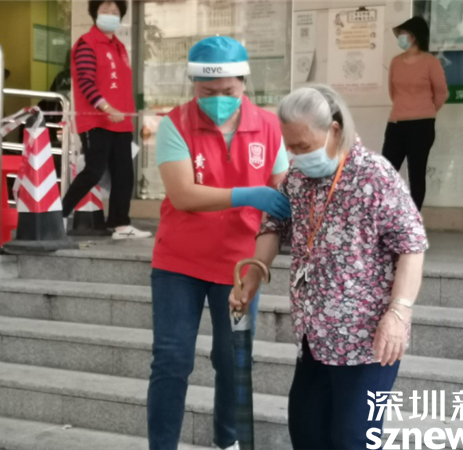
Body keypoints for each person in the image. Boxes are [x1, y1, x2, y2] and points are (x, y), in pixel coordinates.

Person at [231, 85, 428, 450]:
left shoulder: (374, 176)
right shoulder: (297, 177)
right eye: (290, 146)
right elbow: (274, 225)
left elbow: (412, 246)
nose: (295, 154)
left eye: (303, 145)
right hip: (315, 335)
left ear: (334, 130)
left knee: (352, 439)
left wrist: (399, 313)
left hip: (366, 340)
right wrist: (254, 274)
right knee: (306, 432)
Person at [148, 36, 290, 450]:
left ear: (243, 82)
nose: (218, 100)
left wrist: (262, 259)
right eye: (207, 92)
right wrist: (246, 194)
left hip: (240, 266)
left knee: (233, 361)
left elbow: (282, 194)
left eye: (228, 91)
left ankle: (227, 441)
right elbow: (182, 194)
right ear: (193, 84)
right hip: (179, 263)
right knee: (172, 359)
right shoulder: (175, 124)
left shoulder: (269, 127)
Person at [61, 1, 151, 239]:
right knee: (93, 171)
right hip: (96, 122)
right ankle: (58, 216)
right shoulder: (87, 44)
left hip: (121, 123)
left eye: (115, 12)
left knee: (124, 174)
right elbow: (85, 82)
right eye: (105, 11)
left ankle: (121, 225)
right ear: (94, 14)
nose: (110, 16)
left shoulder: (120, 47)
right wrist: (107, 108)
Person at [382, 16, 448, 210]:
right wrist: (406, 108)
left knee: (416, 174)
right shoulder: (395, 62)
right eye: (400, 33)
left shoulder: (430, 62)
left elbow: (441, 93)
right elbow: (393, 93)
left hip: (422, 125)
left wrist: (425, 111)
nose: (401, 37)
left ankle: (413, 218)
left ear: (414, 36)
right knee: (386, 171)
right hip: (396, 124)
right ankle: (387, 215)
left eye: (404, 33)